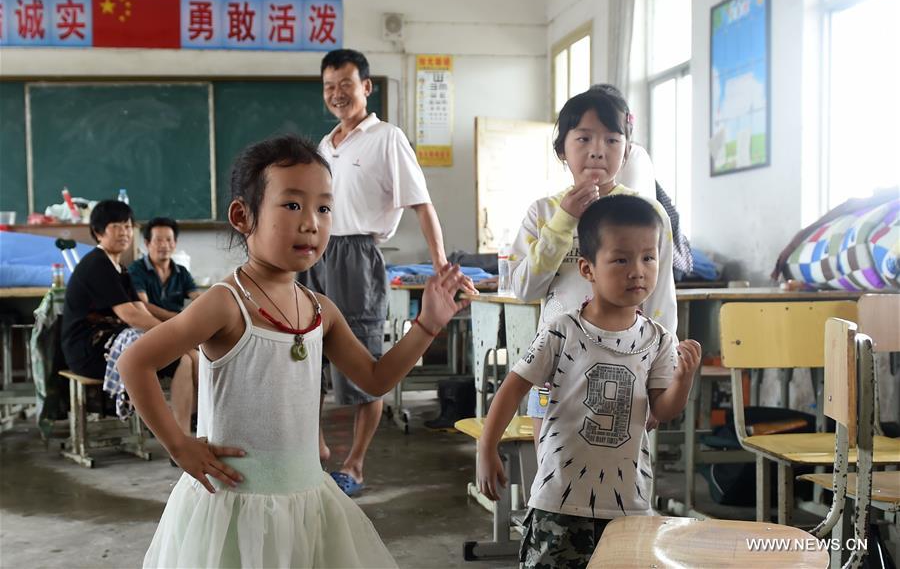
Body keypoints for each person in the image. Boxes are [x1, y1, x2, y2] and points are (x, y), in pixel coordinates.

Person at [118, 134, 469, 568]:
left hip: (305, 501)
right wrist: (179, 444)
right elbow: (135, 362)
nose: (312, 223)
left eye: (324, 208)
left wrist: (429, 323)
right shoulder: (226, 303)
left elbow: (375, 379)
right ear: (243, 216)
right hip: (235, 509)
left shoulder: (322, 309)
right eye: (292, 205)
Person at [478, 195, 701, 568]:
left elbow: (662, 409)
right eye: (621, 259)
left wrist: (683, 379)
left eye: (649, 257)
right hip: (559, 499)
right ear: (587, 269)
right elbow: (513, 387)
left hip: (629, 502)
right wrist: (487, 448)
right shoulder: (561, 331)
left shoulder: (659, 339)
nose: (638, 271)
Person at [304, 48, 474, 496]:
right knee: (302, 354)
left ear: (365, 86)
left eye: (345, 84)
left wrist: (440, 265)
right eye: (328, 87)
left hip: (357, 257)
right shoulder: (325, 145)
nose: (337, 94)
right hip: (315, 254)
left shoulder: (386, 138)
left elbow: (422, 204)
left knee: (363, 367)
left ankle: (355, 465)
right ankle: (315, 451)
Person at [507, 86, 678, 445]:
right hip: (553, 368)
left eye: (612, 140)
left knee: (617, 473)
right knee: (551, 471)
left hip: (626, 365)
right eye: (584, 138)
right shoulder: (543, 213)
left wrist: (660, 375)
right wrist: (564, 222)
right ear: (561, 149)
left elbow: (662, 302)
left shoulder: (647, 215)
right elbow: (523, 288)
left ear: (627, 150)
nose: (598, 150)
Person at [60, 200, 196, 435]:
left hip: (109, 342)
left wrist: (178, 333)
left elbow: (139, 308)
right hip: (87, 351)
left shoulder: (119, 267)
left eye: (127, 226)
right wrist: (177, 335)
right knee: (184, 356)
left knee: (191, 356)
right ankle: (179, 438)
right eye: (116, 226)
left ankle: (191, 431)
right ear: (98, 231)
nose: (124, 232)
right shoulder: (97, 264)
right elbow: (130, 315)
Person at [129, 217, 201, 321]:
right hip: (149, 326)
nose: (164, 245)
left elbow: (197, 297)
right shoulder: (136, 270)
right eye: (158, 240)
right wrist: (178, 318)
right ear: (147, 243)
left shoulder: (182, 272)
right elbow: (143, 305)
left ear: (175, 243)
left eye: (169, 240)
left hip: (177, 325)